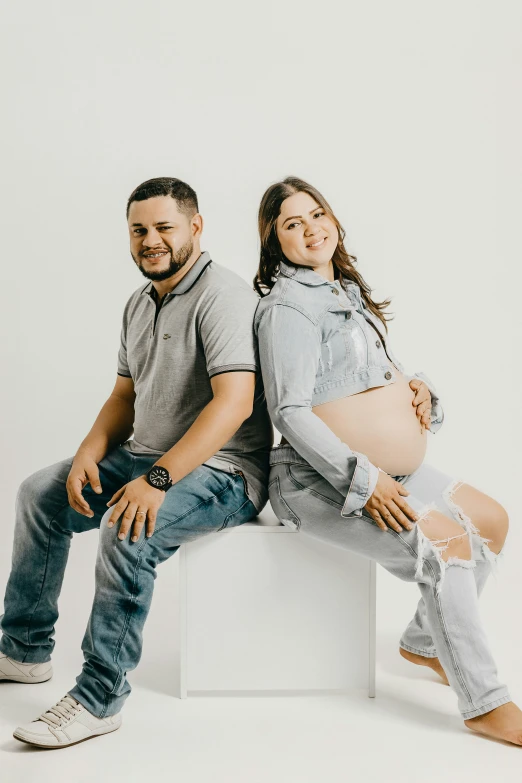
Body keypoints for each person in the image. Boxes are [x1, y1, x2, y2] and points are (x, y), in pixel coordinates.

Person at [0, 176, 273, 748]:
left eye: (164, 227)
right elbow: (123, 397)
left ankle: (99, 699)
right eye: (139, 229)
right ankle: (24, 650)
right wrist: (87, 455)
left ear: (195, 228)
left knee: (127, 529)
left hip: (225, 473)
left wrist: (157, 480)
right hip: (144, 456)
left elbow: (235, 403)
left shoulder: (221, 295)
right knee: (38, 494)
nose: (150, 240)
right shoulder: (138, 302)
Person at [253, 175, 521, 746]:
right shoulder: (287, 308)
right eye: (292, 224)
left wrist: (418, 391)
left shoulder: (343, 291)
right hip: (318, 484)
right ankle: (485, 702)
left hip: (393, 470)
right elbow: (291, 412)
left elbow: (369, 375)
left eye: (316, 213)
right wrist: (364, 478)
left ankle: (424, 642)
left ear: (334, 219)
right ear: (275, 243)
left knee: (492, 521)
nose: (310, 229)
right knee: (446, 544)